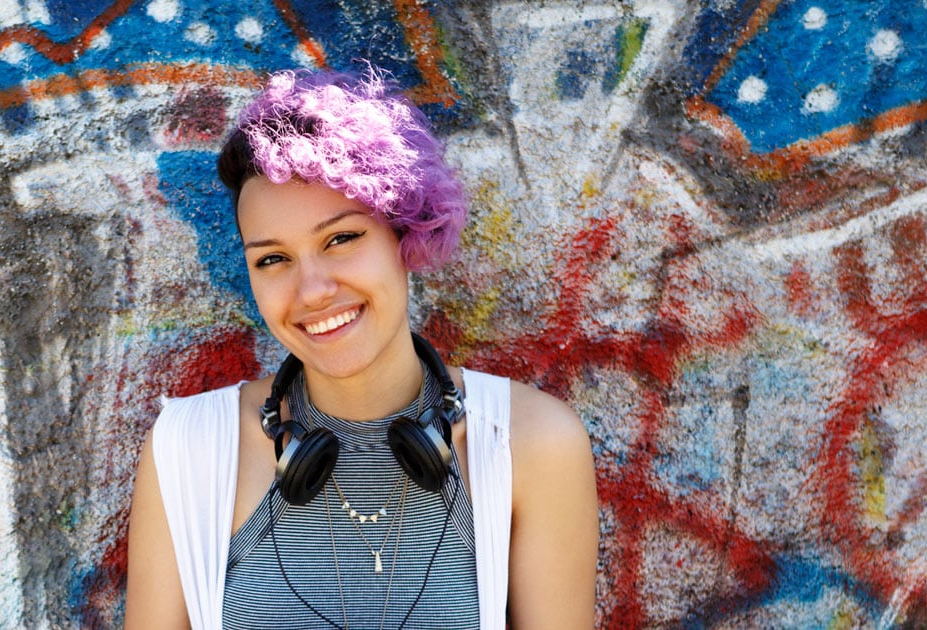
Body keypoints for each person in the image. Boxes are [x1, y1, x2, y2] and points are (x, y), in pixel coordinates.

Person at [125, 66, 598, 629]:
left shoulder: (531, 445)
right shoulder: (187, 451)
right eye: (273, 259)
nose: (313, 291)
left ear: (406, 232)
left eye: (342, 239)